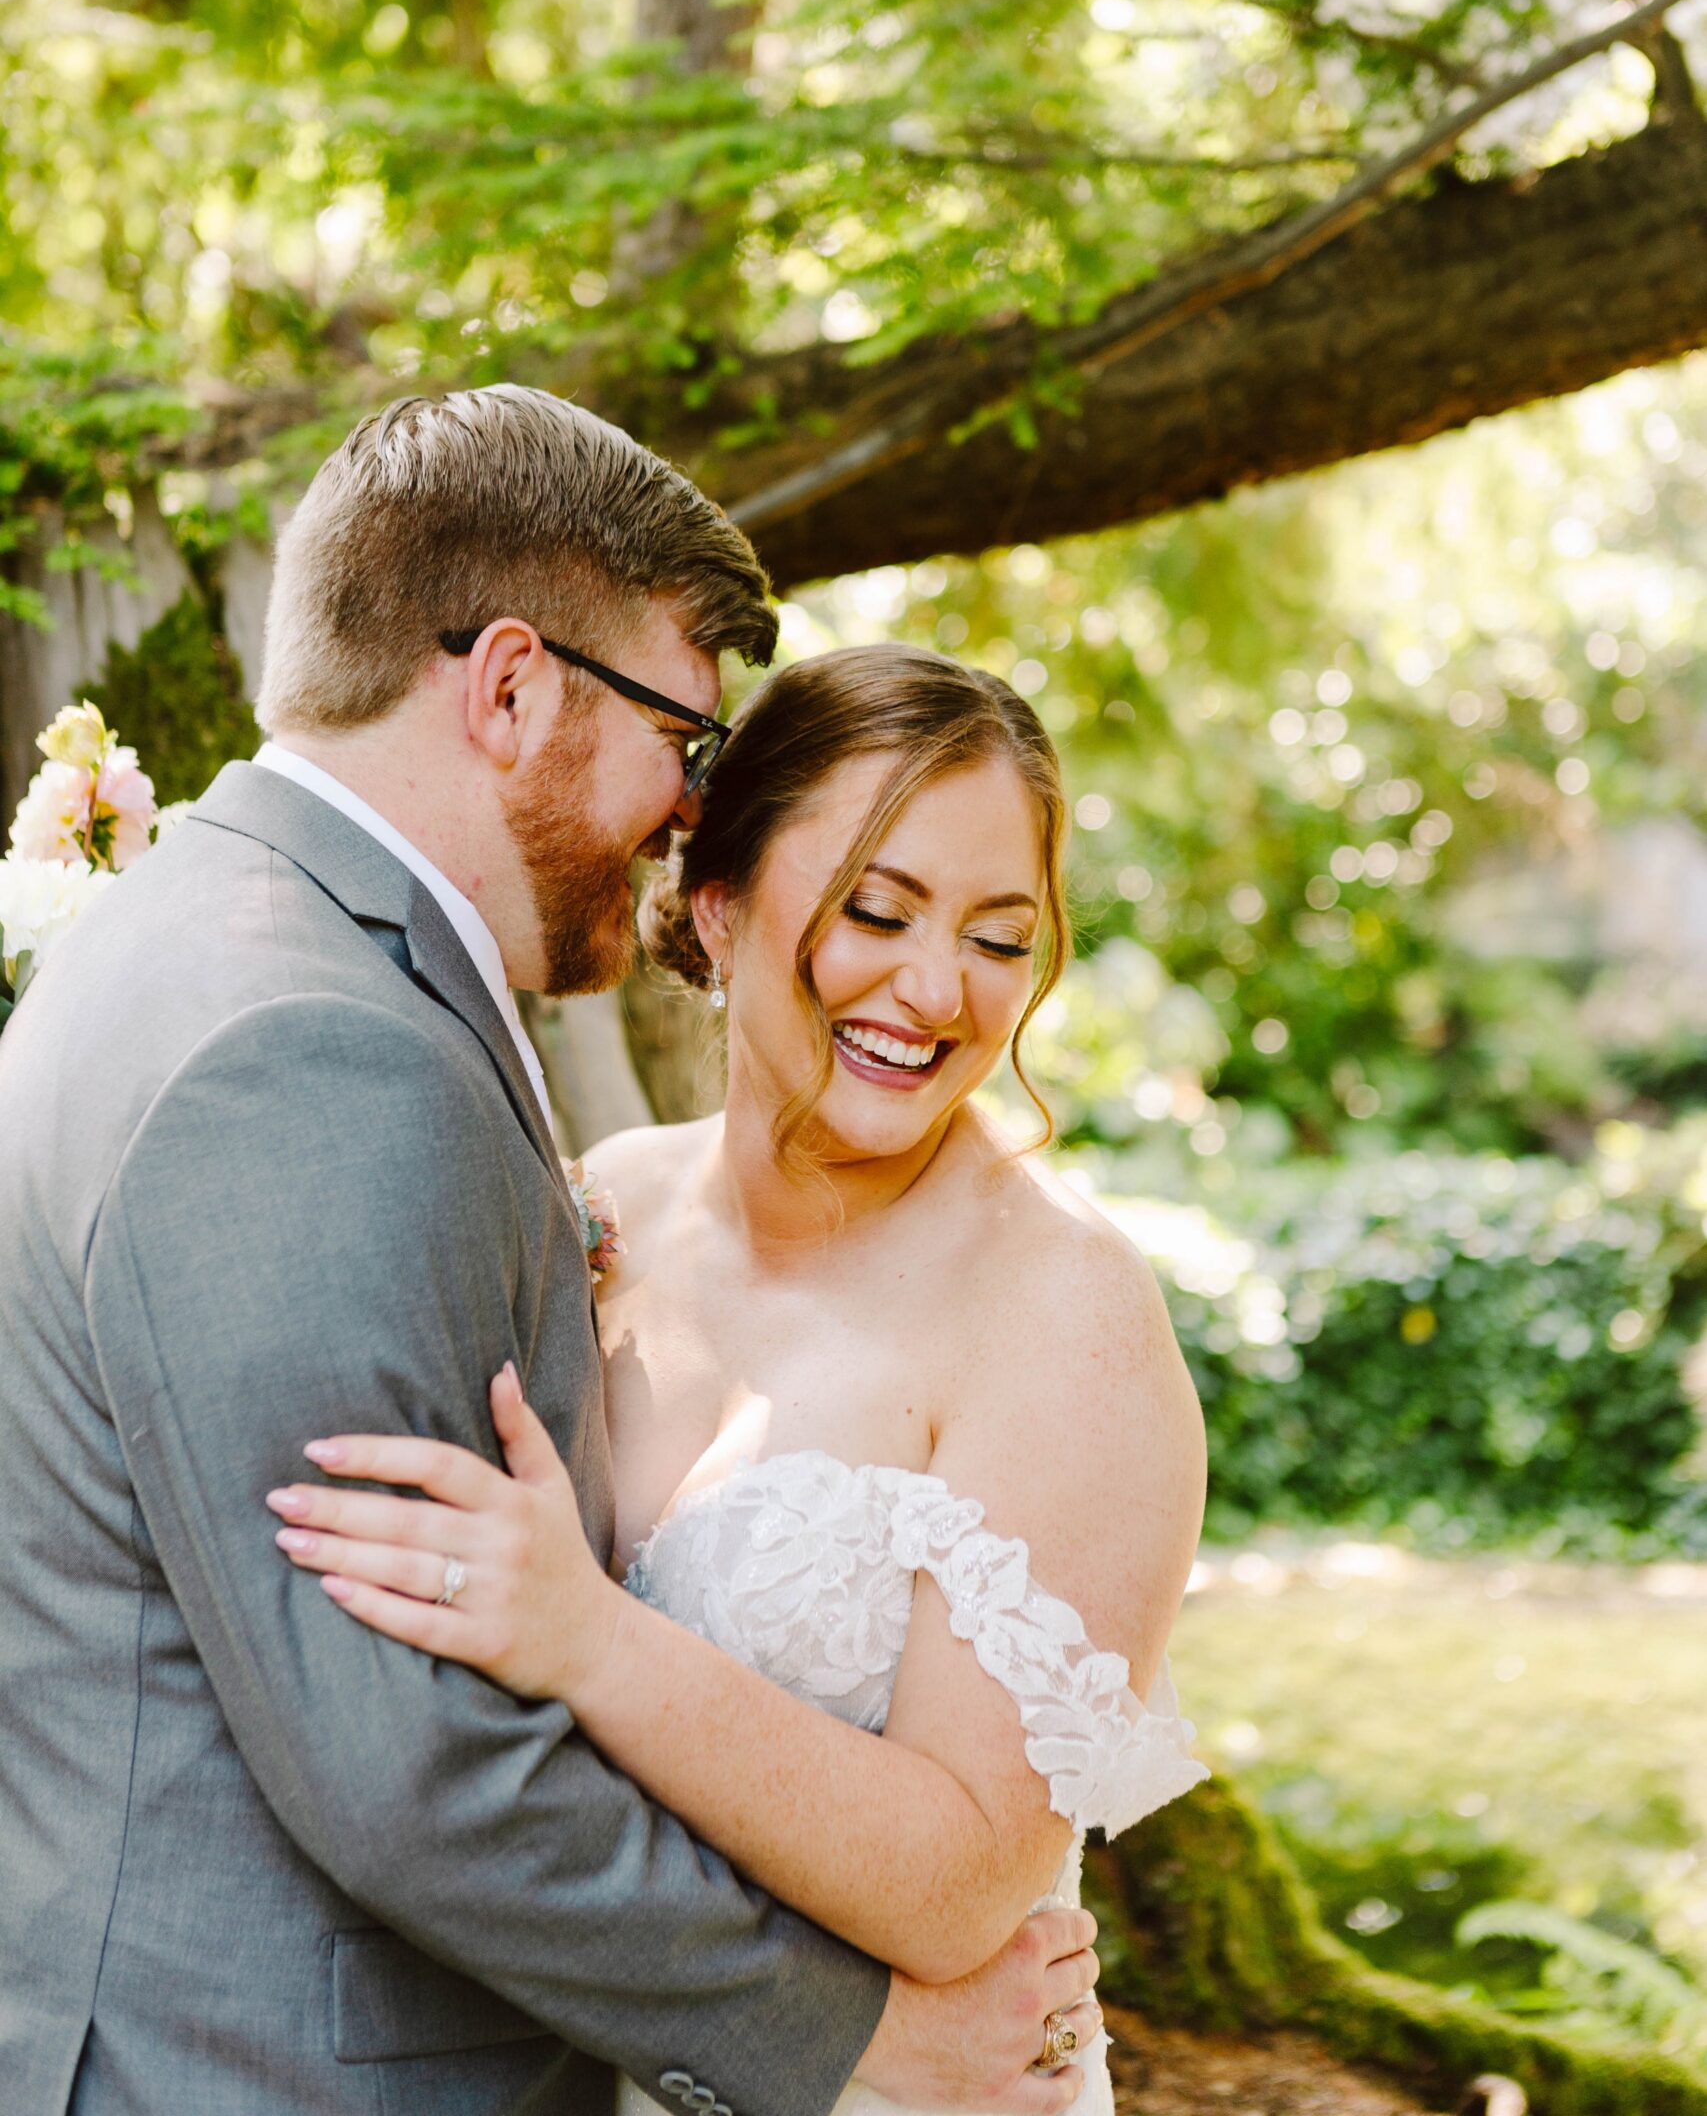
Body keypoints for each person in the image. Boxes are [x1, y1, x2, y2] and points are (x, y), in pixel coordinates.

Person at [0, 388, 1105, 2116]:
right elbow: (407, 1760)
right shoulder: (314, 1048)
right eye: (683, 730)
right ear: (510, 687)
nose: (690, 809)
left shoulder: (196, 933)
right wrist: (860, 2041)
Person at [264, 640, 1212, 2116]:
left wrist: (589, 1640)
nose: (935, 988)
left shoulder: (1066, 1317)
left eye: (1000, 937)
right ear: (715, 902)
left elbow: (965, 1884)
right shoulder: (599, 1215)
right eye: (877, 911)